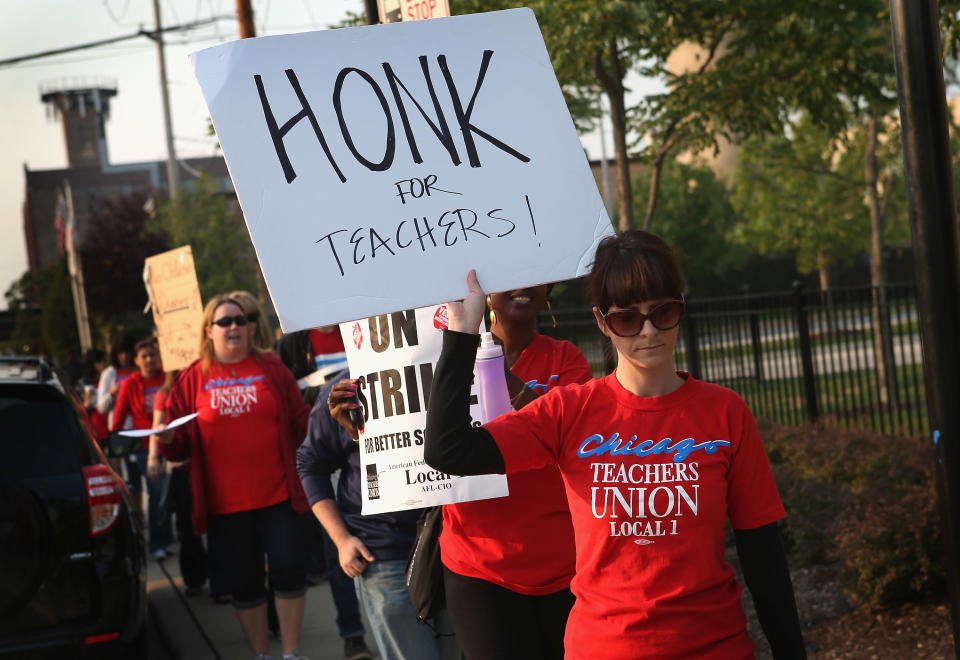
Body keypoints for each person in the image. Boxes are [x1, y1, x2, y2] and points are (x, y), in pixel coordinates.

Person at [424, 230, 806, 659]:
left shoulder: (726, 413)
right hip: (606, 647)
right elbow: (448, 450)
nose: (648, 331)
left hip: (715, 645)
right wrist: (463, 335)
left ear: (680, 309)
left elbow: (764, 557)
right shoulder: (569, 410)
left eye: (663, 312)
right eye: (627, 317)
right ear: (603, 321)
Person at [439, 285, 592, 659]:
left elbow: (569, 436)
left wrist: (495, 370)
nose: (524, 287)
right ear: (486, 291)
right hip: (477, 566)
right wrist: (361, 425)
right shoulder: (445, 358)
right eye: (510, 278)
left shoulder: (566, 359)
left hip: (563, 567)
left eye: (535, 277)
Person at [157, 295, 312, 660]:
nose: (233, 327)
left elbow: (301, 421)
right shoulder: (192, 378)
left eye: (240, 320)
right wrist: (166, 441)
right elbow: (179, 444)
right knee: (245, 584)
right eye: (224, 322)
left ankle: (290, 653)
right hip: (225, 506)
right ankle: (261, 655)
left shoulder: (272, 368)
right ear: (208, 331)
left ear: (252, 327)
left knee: (289, 571)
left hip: (279, 496)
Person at [298, 371, 453, 660]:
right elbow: (310, 464)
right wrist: (342, 539)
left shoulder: (457, 371)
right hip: (384, 554)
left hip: (464, 548)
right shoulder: (343, 392)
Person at [111, 337, 174, 559]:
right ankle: (158, 542)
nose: (149, 360)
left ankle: (169, 537)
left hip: (171, 442)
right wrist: (116, 453)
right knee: (156, 493)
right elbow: (118, 420)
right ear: (136, 361)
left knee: (170, 493)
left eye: (152, 355)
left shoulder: (167, 379)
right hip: (144, 448)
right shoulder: (130, 384)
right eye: (144, 357)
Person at [275, 325, 349, 405]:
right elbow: (283, 397)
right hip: (318, 414)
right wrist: (317, 392)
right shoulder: (290, 345)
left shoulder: (356, 328)